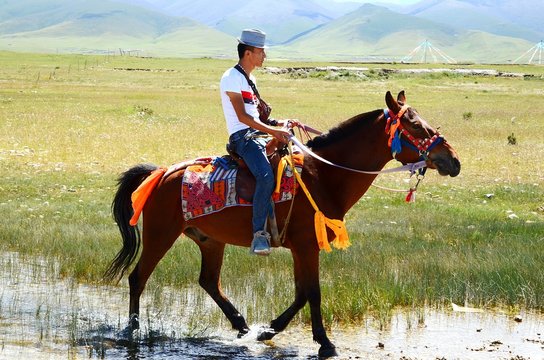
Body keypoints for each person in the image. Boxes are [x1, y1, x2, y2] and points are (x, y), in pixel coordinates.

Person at [220, 29, 292, 256]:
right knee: (265, 176)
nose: (264, 56)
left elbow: (258, 117)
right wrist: (273, 131)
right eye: (261, 52)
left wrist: (282, 124)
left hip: (257, 135)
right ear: (248, 53)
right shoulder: (231, 77)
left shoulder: (249, 78)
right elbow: (243, 118)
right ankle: (259, 235)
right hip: (243, 138)